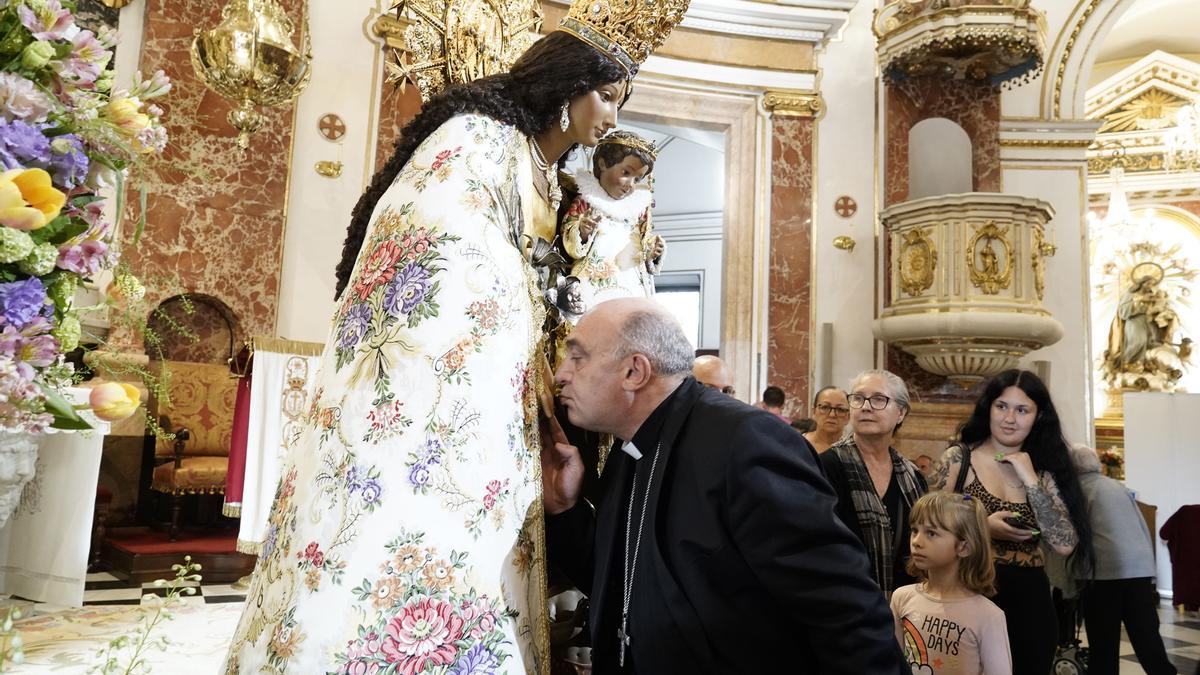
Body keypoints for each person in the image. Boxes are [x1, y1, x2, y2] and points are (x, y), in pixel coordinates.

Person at [222, 2, 690, 671]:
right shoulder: (475, 137)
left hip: (505, 386)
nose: (612, 118)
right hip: (430, 397)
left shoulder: (539, 168)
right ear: (568, 83)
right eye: (608, 96)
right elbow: (439, 251)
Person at [543, 298, 904, 673]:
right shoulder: (629, 449)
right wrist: (566, 511)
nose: (561, 376)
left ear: (634, 372)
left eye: (577, 358)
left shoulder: (746, 441)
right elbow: (624, 585)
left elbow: (843, 611)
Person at [929, 369, 1094, 675]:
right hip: (969, 592)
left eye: (1022, 410)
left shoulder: (1043, 473)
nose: (1010, 418)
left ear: (1038, 416)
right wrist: (981, 526)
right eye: (1002, 406)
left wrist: (1029, 476)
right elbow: (926, 525)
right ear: (988, 408)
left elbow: (1065, 544)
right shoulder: (958, 459)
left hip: (1031, 602)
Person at [1069, 445, 1176, 675]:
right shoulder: (1117, 486)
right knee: (1145, 632)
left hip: (1104, 571)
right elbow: (1140, 525)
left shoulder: (1078, 490)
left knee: (1103, 638)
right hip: (1138, 567)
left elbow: (1070, 535)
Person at [820, 370, 928, 595]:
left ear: (901, 413)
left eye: (879, 399)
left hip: (902, 603)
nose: (866, 407)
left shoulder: (913, 477)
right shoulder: (827, 466)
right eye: (858, 398)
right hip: (842, 598)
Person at [891, 492, 1012, 675]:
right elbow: (894, 663)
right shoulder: (902, 598)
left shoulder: (988, 616)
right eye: (915, 530)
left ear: (964, 547)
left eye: (931, 533)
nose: (916, 541)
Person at [559, 130, 663, 324]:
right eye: (626, 173)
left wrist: (652, 252)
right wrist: (582, 231)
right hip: (594, 277)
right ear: (603, 164)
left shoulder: (638, 211)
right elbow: (569, 236)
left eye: (637, 179)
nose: (630, 185)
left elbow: (643, 241)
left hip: (630, 278)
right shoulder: (588, 201)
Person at [804, 385, 850, 453]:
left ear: (848, 417)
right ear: (813, 412)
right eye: (825, 407)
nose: (832, 415)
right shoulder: (799, 443)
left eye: (840, 409)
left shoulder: (853, 451)